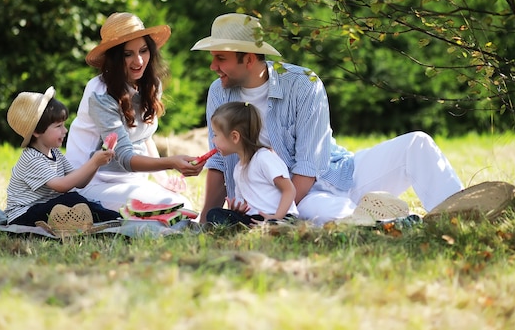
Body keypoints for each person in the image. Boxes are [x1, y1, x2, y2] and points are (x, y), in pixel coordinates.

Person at [191, 13, 471, 225]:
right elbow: (219, 162)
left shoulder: (303, 84)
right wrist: (207, 221)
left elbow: (309, 166)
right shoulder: (220, 91)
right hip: (298, 199)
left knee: (417, 144)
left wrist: (278, 213)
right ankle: (386, 222)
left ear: (249, 58)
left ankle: (463, 220)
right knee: (336, 218)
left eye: (220, 58)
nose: (213, 66)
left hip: (335, 174)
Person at [65, 12, 202, 212]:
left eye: (143, 50)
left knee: (184, 207)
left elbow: (144, 137)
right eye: (127, 54)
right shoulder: (100, 93)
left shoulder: (150, 84)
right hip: (89, 184)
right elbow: (125, 157)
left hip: (132, 182)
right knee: (172, 208)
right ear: (113, 58)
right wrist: (171, 162)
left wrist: (163, 179)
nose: (138, 61)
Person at [5, 86, 122, 226]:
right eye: (58, 126)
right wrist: (93, 162)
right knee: (71, 199)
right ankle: (115, 219)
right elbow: (62, 186)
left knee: (75, 199)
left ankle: (112, 218)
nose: (65, 130)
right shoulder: (32, 158)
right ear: (37, 131)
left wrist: (96, 163)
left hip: (46, 208)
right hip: (23, 216)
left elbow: (79, 182)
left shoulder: (55, 153)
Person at [205, 101, 299, 226]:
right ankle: (243, 228)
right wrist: (239, 210)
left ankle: (272, 227)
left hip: (281, 217)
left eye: (216, 134)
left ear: (234, 137)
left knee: (220, 218)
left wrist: (276, 218)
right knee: (214, 213)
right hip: (255, 219)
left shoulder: (264, 158)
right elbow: (249, 203)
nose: (213, 140)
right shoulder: (238, 169)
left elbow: (289, 189)